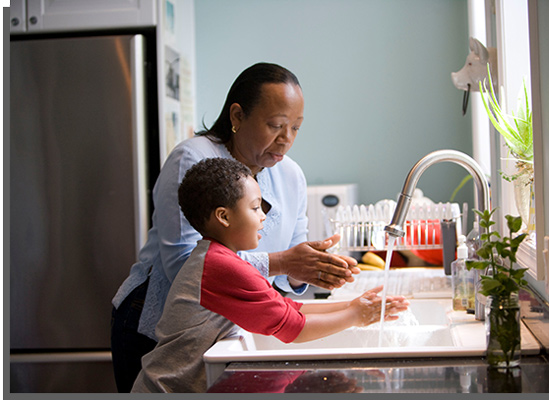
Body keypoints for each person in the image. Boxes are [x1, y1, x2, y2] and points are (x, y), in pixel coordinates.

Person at [111, 62, 360, 392]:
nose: (286, 139)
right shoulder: (193, 158)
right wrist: (283, 261)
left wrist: (312, 268)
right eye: (275, 125)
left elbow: (288, 275)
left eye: (296, 128)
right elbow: (185, 267)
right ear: (237, 116)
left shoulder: (291, 176)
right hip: (153, 325)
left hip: (222, 332)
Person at [131, 158, 409, 392]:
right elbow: (295, 329)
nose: (263, 216)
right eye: (255, 208)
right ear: (224, 217)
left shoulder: (219, 258)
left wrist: (354, 305)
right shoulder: (221, 267)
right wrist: (357, 316)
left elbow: (289, 307)